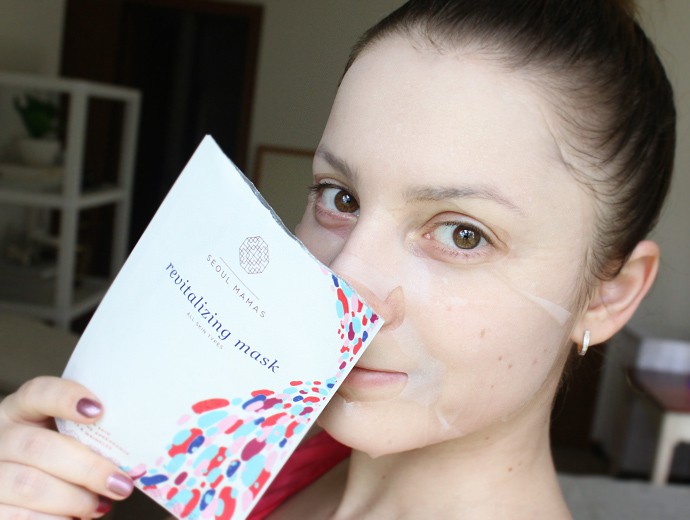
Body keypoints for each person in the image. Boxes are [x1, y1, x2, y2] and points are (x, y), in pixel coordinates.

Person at [0, 0, 676, 518]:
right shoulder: (259, 456)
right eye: (340, 197)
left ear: (607, 295)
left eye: (463, 234)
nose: (342, 282)